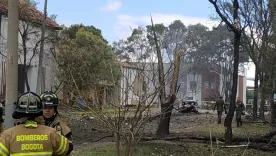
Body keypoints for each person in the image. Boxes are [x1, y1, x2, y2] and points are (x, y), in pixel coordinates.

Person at [0, 92, 73, 155]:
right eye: (45, 108)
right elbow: (68, 148)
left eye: (50, 108)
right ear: (39, 113)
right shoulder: (51, 133)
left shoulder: (8, 135)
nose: (47, 110)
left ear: (18, 115)